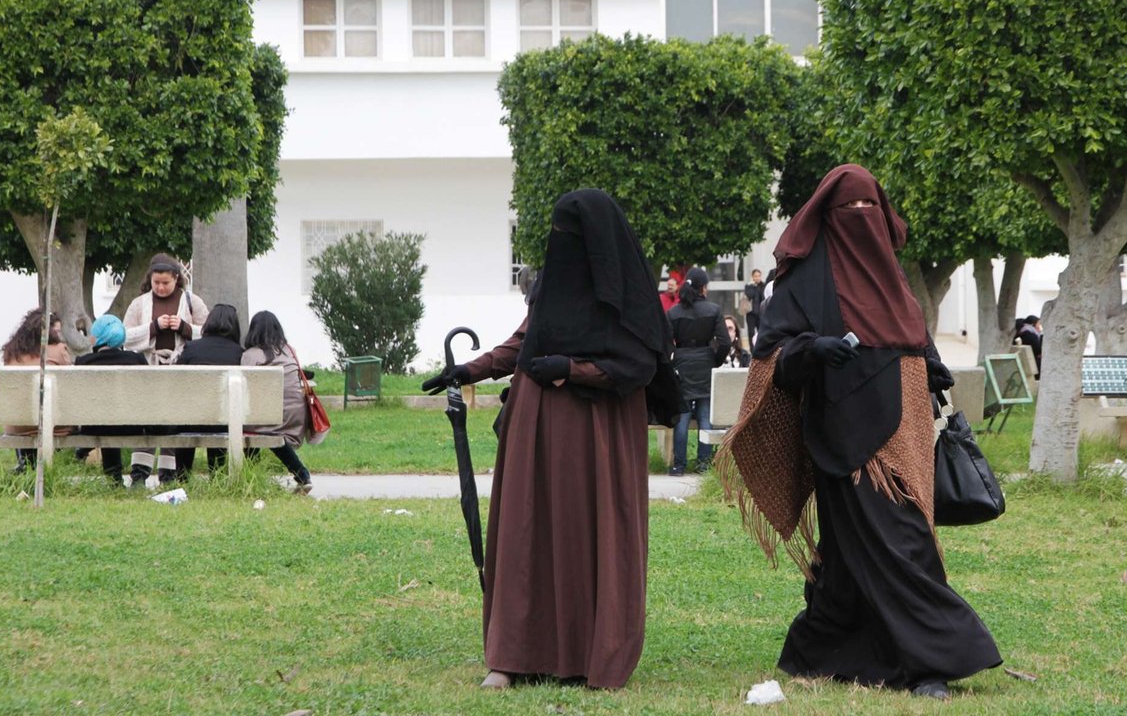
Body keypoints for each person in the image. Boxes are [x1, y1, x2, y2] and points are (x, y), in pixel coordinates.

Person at [716, 164, 1001, 700]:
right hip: (840, 434)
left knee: (886, 544)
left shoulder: (889, 272)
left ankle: (825, 646)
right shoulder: (802, 280)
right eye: (851, 210)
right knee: (880, 545)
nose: (862, 219)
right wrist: (814, 349)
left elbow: (910, 331)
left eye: (871, 208)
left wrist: (929, 363)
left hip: (904, 435)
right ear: (830, 215)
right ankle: (935, 660)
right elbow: (772, 353)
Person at [422, 188, 673, 690]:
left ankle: (590, 654)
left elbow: (639, 364)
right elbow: (525, 340)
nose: (561, 244)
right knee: (526, 534)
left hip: (600, 435)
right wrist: (468, 369)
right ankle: (514, 655)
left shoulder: (630, 299)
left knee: (591, 533)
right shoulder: (553, 286)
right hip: (535, 433)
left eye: (570, 235)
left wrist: (575, 369)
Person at [240, 311, 315, 495]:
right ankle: (302, 475)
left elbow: (244, 386)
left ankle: (253, 474)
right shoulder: (289, 350)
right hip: (296, 414)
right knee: (268, 431)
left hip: (272, 414)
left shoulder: (251, 355)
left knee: (249, 427)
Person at [72, 315, 149, 486]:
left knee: (105, 416)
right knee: (115, 414)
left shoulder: (83, 362)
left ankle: (114, 478)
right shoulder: (137, 360)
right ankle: (116, 479)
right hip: (132, 426)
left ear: (98, 338)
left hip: (93, 426)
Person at [667, 267, 729, 475]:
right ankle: (703, 465)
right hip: (705, 362)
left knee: (683, 415)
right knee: (704, 415)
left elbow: (665, 344)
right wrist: (715, 361)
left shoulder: (673, 313)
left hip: (682, 363)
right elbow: (725, 343)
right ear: (703, 288)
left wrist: (674, 362)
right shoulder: (713, 310)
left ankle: (678, 465)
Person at [173, 303, 245, 480]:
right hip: (223, 420)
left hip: (191, 419)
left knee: (187, 417)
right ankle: (217, 477)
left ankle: (182, 477)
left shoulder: (192, 348)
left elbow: (176, 381)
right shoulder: (239, 353)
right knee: (221, 412)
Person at [0, 308, 73, 473]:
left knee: (28, 412)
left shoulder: (12, 352)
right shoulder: (59, 350)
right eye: (57, 331)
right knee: (48, 411)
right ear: (49, 331)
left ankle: (26, 465)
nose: (59, 336)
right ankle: (37, 468)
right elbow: (70, 384)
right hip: (53, 423)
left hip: (17, 423)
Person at [123, 253, 209, 366]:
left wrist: (185, 328)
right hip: (148, 368)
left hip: (183, 367)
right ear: (150, 279)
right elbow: (125, 338)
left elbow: (209, 335)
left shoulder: (192, 301)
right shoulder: (138, 304)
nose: (160, 287)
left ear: (176, 278)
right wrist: (154, 327)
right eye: (156, 282)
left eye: (165, 283)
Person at [743, 268, 765, 345]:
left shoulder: (763, 285)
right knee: (751, 333)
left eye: (759, 276)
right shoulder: (748, 286)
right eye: (755, 276)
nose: (757, 278)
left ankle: (760, 348)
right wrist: (753, 286)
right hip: (751, 313)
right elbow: (749, 296)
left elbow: (764, 297)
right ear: (752, 277)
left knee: (761, 332)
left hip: (761, 313)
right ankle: (752, 350)